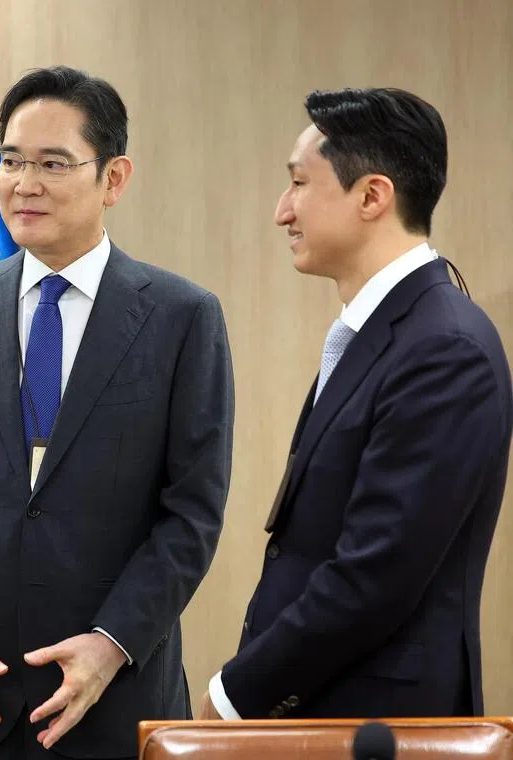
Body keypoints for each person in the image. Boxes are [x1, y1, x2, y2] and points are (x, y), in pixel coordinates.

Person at [0, 65, 234, 759]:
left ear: (114, 178)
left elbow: (192, 513)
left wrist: (111, 643)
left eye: (52, 163)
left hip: (114, 696)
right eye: (9, 160)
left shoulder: (183, 317)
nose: (22, 183)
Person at [202, 87, 512, 721]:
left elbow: (375, 576)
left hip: (378, 725)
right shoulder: (386, 330)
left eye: (298, 183)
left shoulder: (444, 349)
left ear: (372, 196)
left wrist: (233, 696)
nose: (281, 211)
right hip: (323, 711)